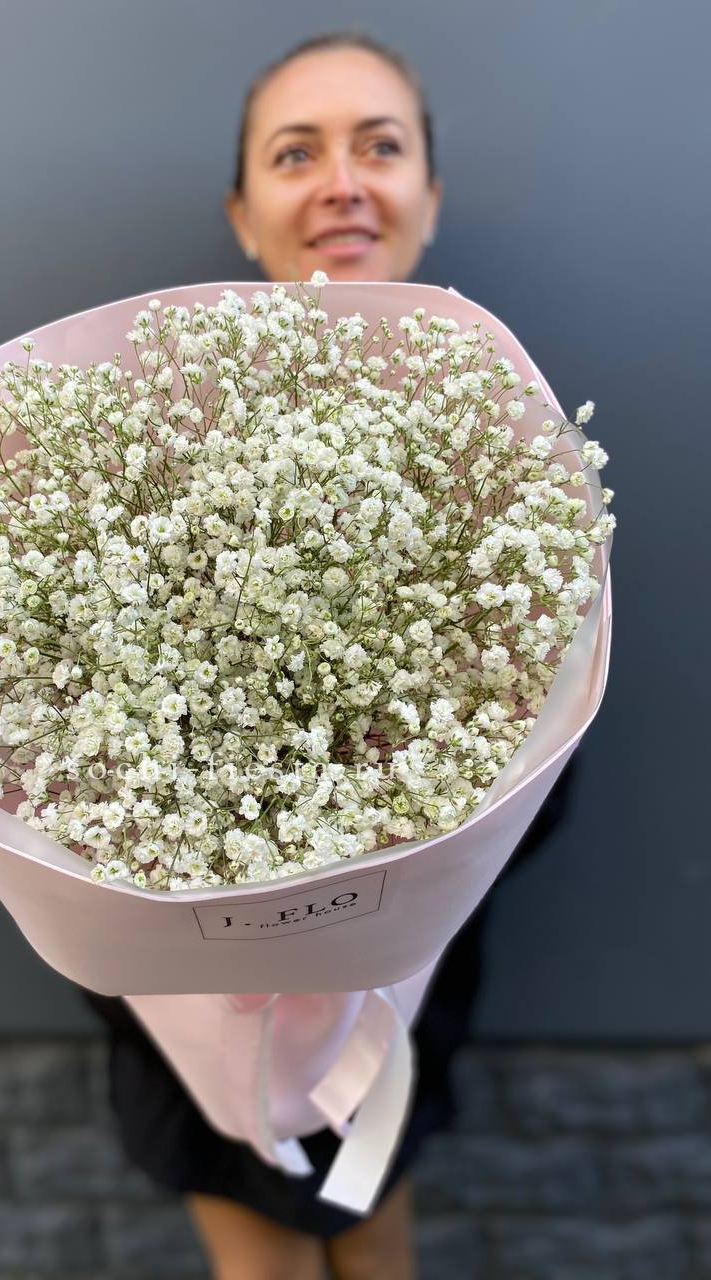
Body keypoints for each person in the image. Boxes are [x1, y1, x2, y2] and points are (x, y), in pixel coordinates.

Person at [85, 31, 577, 1279]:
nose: (343, 182)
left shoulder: (506, 458)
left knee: (379, 1242)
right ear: (243, 213)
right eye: (297, 153)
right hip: (188, 995)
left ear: (429, 196)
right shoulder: (142, 438)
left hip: (403, 975)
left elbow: (551, 775)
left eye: (381, 146)